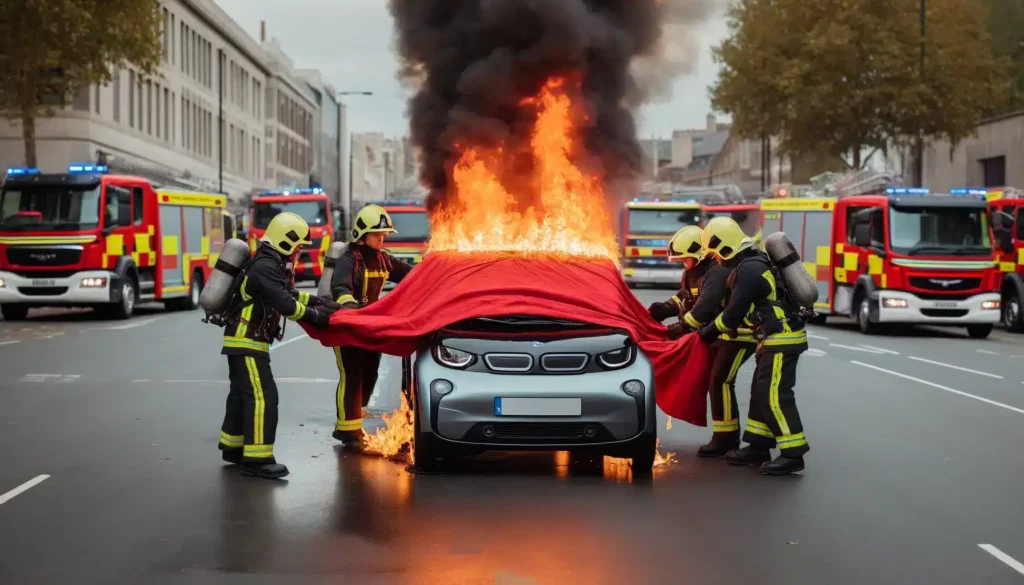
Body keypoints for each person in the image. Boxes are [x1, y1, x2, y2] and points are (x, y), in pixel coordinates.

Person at [218, 212, 337, 479]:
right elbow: (285, 304)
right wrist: (319, 318)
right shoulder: (265, 266)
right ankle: (258, 460)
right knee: (263, 397)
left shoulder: (268, 263)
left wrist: (319, 302)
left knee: (241, 395)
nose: (299, 252)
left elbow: (287, 293)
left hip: (245, 339)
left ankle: (233, 448)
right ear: (286, 240)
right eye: (298, 246)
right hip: (247, 340)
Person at [695, 216, 809, 475]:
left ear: (724, 247)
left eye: (715, 253)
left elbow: (733, 313)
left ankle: (793, 453)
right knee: (760, 394)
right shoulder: (753, 262)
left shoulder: (749, 270)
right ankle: (758, 446)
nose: (715, 259)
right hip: (771, 339)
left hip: (782, 339)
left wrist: (706, 333)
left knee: (774, 397)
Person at [647, 225, 757, 457]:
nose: (681, 263)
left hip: (738, 334)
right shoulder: (694, 273)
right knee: (716, 382)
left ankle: (726, 440)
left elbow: (704, 307)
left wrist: (681, 327)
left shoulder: (716, 273)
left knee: (720, 382)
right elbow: (686, 297)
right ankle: (725, 437)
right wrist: (666, 308)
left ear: (698, 253)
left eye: (683, 259)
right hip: (720, 335)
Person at [330, 204, 414, 452]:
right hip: (347, 327)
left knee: (370, 373)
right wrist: (353, 313)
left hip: (369, 327)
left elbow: (410, 276)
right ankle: (346, 429)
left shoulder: (383, 258)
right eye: (377, 234)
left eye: (384, 234)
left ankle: (357, 416)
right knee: (352, 375)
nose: (382, 238)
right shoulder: (348, 259)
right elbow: (340, 289)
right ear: (362, 234)